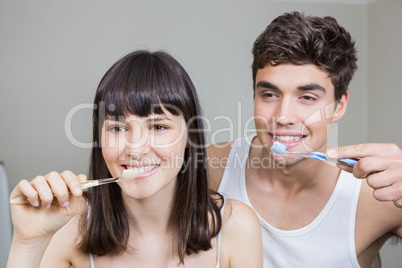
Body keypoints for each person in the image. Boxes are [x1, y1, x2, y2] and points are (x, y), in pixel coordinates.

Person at [7, 50, 263, 267]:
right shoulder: (67, 229)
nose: (136, 149)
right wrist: (27, 243)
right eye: (117, 128)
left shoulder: (237, 227)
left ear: (190, 138)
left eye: (158, 127)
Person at [207, 12, 402, 268]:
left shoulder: (379, 195)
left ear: (339, 105)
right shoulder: (211, 168)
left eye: (307, 97)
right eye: (269, 94)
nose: (283, 117)